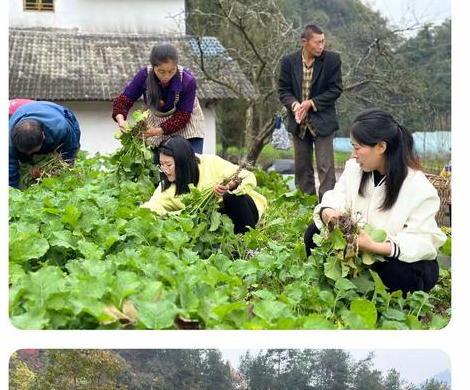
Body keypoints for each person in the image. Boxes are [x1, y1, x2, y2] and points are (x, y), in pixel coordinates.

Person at [305, 108, 447, 294]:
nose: (353, 155)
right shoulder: (354, 169)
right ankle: (354, 283)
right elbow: (337, 195)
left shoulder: (418, 187)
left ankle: (369, 288)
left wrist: (374, 246)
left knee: (400, 274)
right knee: (313, 233)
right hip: (358, 249)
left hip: (390, 253)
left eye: (357, 148)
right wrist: (330, 213)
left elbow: (423, 241)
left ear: (381, 147)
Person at [141, 136, 267, 234]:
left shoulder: (210, 163)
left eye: (168, 165)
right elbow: (152, 207)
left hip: (244, 213)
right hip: (216, 224)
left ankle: (251, 246)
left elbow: (247, 176)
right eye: (161, 165)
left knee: (231, 197)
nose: (165, 170)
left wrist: (229, 186)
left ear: (183, 162)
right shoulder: (166, 187)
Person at [278, 23, 342, 200]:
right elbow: (283, 91)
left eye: (323, 42)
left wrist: (311, 103)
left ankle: (327, 206)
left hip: (322, 121)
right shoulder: (289, 62)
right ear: (304, 42)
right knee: (302, 168)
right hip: (299, 122)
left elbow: (335, 90)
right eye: (317, 42)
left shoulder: (332, 60)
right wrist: (295, 105)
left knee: (325, 167)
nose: (321, 46)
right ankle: (306, 206)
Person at [112, 42, 205, 153]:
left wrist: (158, 131)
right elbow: (124, 100)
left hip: (186, 125)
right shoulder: (144, 76)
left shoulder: (187, 81)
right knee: (159, 166)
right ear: (153, 66)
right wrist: (121, 120)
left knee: (189, 164)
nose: (166, 76)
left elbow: (182, 116)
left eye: (171, 71)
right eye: (161, 71)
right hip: (155, 123)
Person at [9, 101, 81, 189]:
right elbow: (10, 167)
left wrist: (62, 170)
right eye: (25, 151)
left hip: (61, 118)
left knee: (62, 165)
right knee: (24, 160)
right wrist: (14, 190)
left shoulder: (61, 128)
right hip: (26, 115)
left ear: (43, 137)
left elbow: (70, 150)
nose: (29, 153)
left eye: (32, 151)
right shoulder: (9, 140)